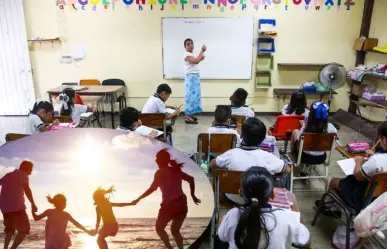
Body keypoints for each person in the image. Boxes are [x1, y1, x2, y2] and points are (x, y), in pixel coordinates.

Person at [217, 167, 311, 249]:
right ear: (273, 195)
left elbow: (221, 238)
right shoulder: (287, 218)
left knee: (222, 224)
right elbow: (306, 241)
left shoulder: (232, 215)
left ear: (240, 193)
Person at [210, 117, 291, 205]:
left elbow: (212, 165)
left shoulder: (230, 154)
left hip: (233, 197)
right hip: (260, 199)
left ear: (241, 136)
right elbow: (287, 169)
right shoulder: (267, 157)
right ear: (263, 139)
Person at [131, 149, 201, 249]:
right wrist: (193, 195)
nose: (156, 160)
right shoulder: (176, 170)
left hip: (169, 205)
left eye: (158, 158)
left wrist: (138, 199)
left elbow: (152, 189)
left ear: (164, 160)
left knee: (159, 228)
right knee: (175, 231)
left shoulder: (160, 172)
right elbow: (191, 179)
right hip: (182, 204)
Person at [316, 121, 387, 215]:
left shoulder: (376, 161)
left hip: (363, 199)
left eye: (380, 137)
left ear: (385, 139)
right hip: (382, 198)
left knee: (334, 181)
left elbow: (358, 176)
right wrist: (374, 155)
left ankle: (332, 209)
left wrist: (359, 161)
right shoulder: (378, 159)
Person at [0, 161, 38, 249]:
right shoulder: (23, 175)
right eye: (30, 169)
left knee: (10, 230)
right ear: (26, 168)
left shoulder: (8, 175)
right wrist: (33, 204)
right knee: (25, 229)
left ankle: (5, 248)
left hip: (5, 208)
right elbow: (27, 190)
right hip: (17, 207)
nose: (31, 171)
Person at [290, 101, 337, 165]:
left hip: (304, 158)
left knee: (295, 132)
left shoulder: (305, 128)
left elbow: (298, 141)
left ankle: (292, 154)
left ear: (310, 114)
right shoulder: (331, 128)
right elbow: (333, 146)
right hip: (321, 158)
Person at [184, 38, 206, 124]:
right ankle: (187, 116)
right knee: (190, 97)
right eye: (188, 44)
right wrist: (202, 51)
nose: (190, 45)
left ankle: (191, 114)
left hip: (195, 76)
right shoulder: (186, 54)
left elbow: (196, 61)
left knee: (195, 96)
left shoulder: (191, 54)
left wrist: (200, 58)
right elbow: (196, 61)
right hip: (190, 77)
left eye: (191, 44)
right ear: (185, 47)